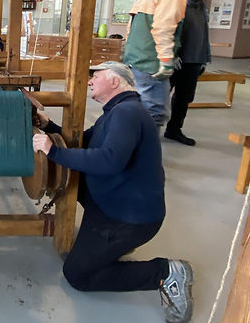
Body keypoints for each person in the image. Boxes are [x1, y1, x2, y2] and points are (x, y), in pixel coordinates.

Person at [32, 61, 193, 323]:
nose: (91, 80)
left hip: (129, 218)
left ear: (115, 81)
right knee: (73, 175)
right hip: (114, 201)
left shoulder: (127, 114)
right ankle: (105, 249)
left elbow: (109, 161)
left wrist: (54, 152)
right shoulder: (118, 111)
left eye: (97, 76)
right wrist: (50, 127)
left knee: (77, 275)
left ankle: (165, 272)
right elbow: (83, 141)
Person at [123, 0, 203, 128]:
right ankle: (145, 152)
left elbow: (130, 25)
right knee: (156, 112)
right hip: (150, 62)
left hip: (137, 59)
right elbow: (164, 27)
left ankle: (134, 147)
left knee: (138, 105)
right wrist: (166, 61)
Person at [164, 0, 212, 146]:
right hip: (175, 60)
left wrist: (204, 58)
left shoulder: (201, 8)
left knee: (184, 98)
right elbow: (167, 30)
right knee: (160, 97)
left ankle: (174, 129)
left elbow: (203, 35)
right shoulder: (179, 4)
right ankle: (147, 131)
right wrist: (171, 55)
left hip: (194, 61)